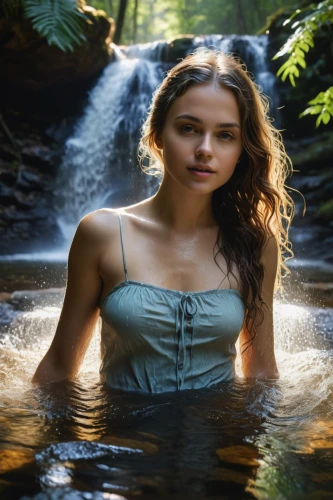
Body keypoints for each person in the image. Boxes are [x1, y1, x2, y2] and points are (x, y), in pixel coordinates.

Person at [33, 48, 294, 392]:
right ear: (157, 134)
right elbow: (59, 368)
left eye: (225, 135)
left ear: (242, 150)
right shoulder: (102, 234)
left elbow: (261, 375)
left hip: (218, 440)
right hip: (120, 440)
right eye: (189, 128)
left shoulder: (255, 243)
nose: (205, 149)